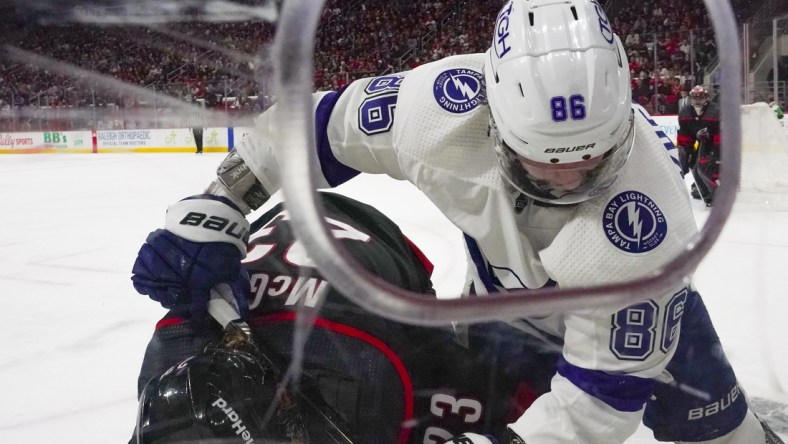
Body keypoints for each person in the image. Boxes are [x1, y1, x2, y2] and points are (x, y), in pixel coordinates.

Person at [131, 0, 781, 442]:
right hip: (493, 314)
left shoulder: (650, 234)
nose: (566, 180)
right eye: (543, 161)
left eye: (591, 160)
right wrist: (222, 200)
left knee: (722, 436)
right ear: (492, 117)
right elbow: (311, 128)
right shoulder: (438, 110)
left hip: (629, 338)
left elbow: (605, 395)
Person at [132, 191, 553, 443]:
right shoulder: (167, 368)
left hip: (381, 263)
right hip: (300, 249)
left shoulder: (372, 375)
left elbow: (508, 400)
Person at [677, 85, 721, 206]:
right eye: (694, 97)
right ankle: (706, 190)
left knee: (706, 165)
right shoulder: (685, 112)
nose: (697, 100)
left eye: (700, 97)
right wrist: (684, 157)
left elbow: (721, 135)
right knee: (694, 165)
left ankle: (719, 191)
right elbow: (685, 137)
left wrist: (718, 157)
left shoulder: (715, 111)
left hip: (716, 144)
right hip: (702, 143)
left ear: (706, 98)